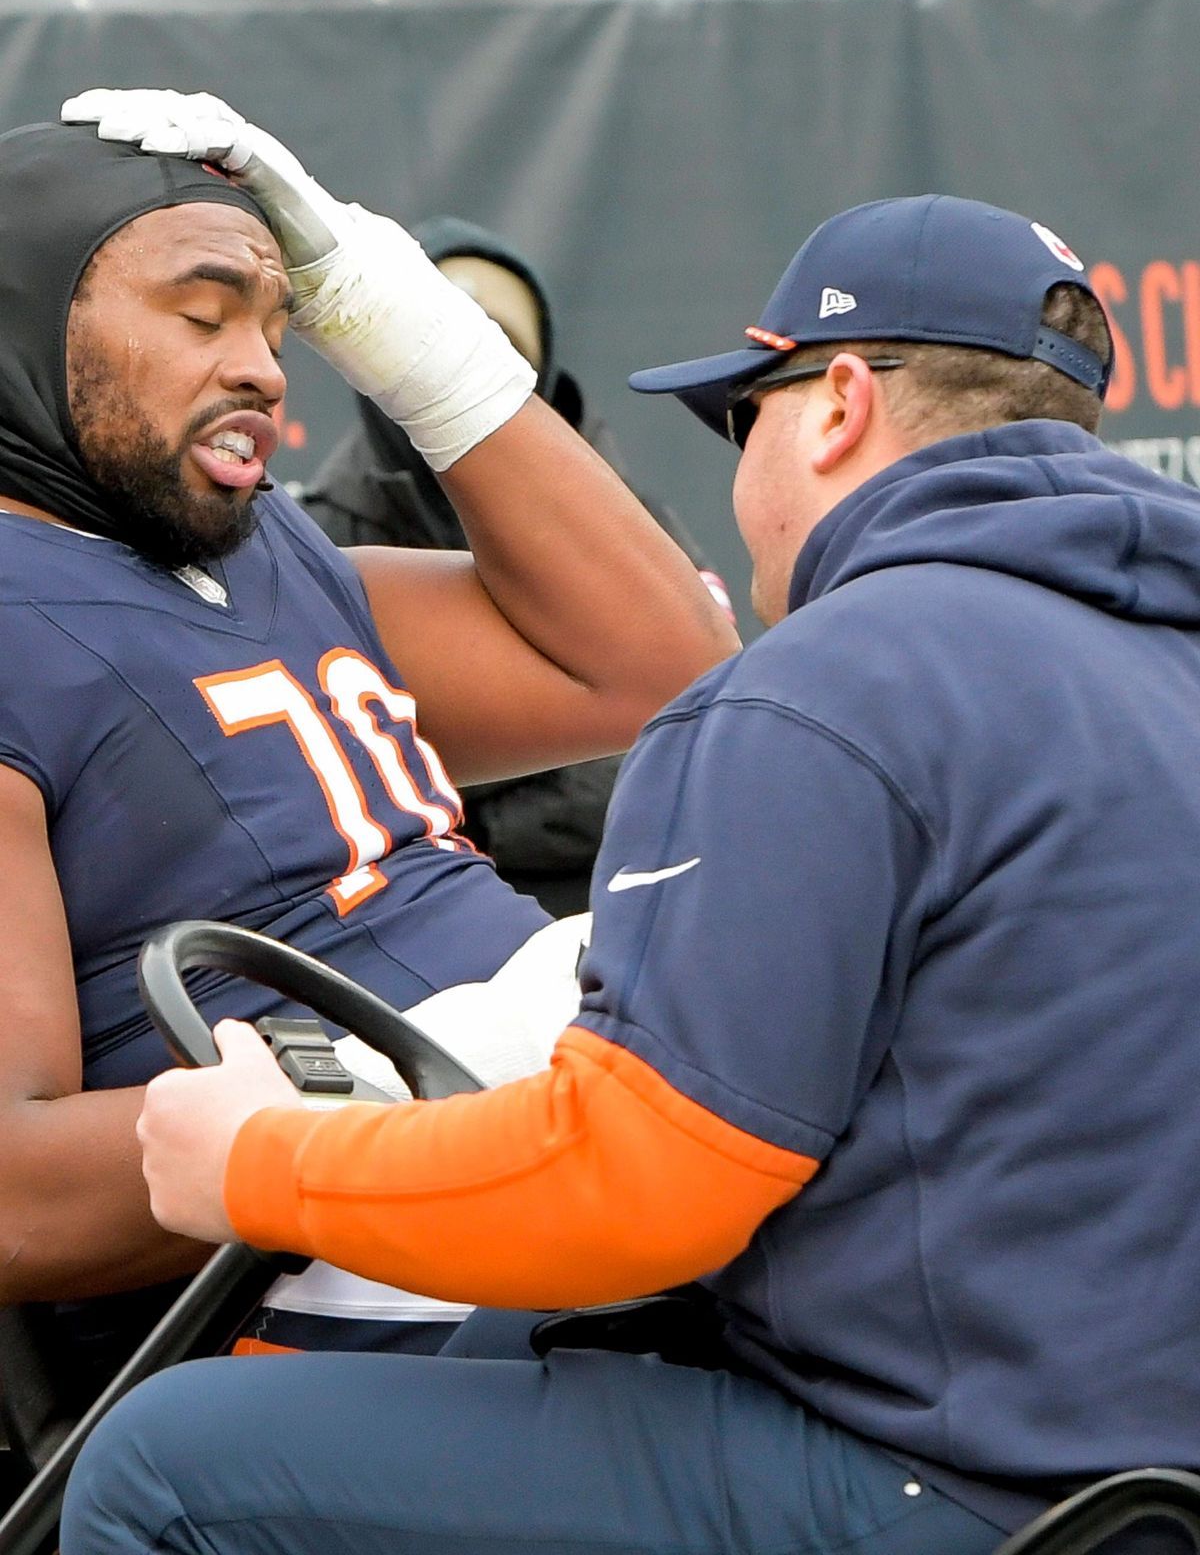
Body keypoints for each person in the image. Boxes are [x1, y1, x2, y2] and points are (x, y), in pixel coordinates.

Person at [61, 175, 1200, 1555]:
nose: (740, 467)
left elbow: (643, 1188)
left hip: (968, 1489)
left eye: (746, 414)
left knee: (161, 1464)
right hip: (1128, 1460)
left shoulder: (826, 690)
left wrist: (261, 1163)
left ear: (837, 407)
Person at [0, 90, 737, 1399]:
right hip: (334, 1282)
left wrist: (379, 307)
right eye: (202, 312)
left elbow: (658, 667)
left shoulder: (263, 549)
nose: (267, 369)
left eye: (282, 326)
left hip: (567, 1153)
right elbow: (15, 1195)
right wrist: (403, 1098)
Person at [301, 213, 734, 915]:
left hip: (633, 902)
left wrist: (475, 798)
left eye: (494, 346)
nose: (459, 369)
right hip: (414, 924)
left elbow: (697, 730)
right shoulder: (316, 544)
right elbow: (329, 783)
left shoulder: (627, 527)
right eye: (438, 343)